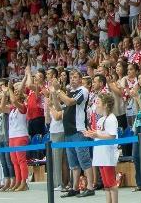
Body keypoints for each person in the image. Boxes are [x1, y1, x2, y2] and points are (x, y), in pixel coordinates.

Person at [57, 69, 95, 197]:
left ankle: (90, 187)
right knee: (73, 163)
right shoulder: (69, 92)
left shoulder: (83, 90)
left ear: (80, 79)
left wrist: (57, 90)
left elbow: (69, 102)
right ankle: (74, 187)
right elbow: (60, 107)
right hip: (68, 132)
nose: (72, 79)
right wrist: (52, 94)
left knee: (84, 160)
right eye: (71, 77)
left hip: (79, 130)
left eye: (75, 77)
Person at [83, 92, 119, 203]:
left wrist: (97, 135)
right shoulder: (101, 119)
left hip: (108, 155)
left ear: (106, 105)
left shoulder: (111, 119)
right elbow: (99, 134)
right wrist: (91, 134)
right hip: (100, 155)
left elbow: (112, 136)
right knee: (106, 185)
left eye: (98, 102)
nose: (96, 104)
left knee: (111, 183)